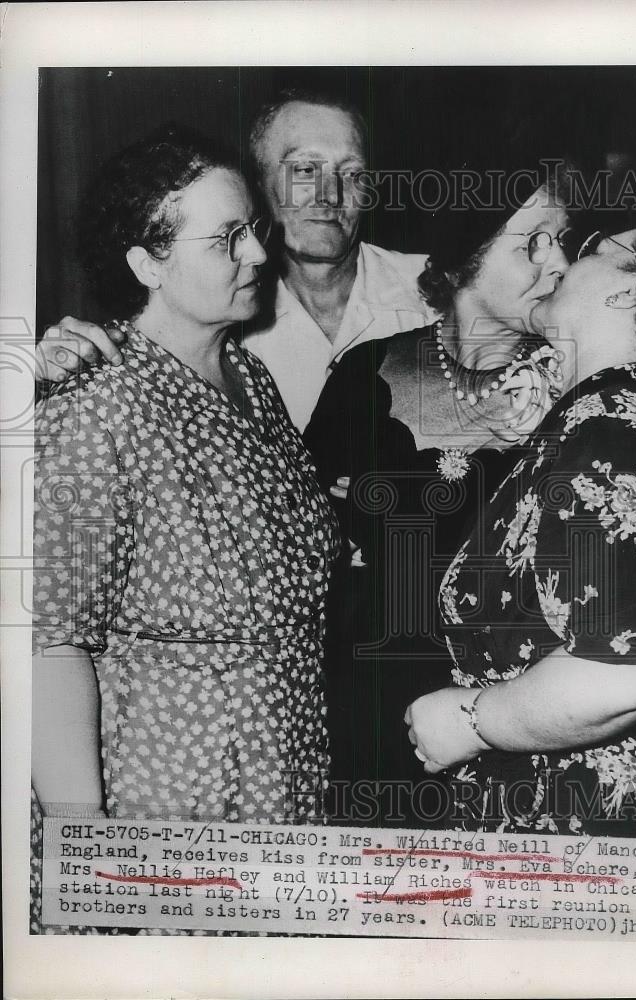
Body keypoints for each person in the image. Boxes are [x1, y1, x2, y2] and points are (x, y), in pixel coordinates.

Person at [405, 202, 636, 840]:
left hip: (594, 837)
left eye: (590, 247)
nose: (563, 260)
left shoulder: (611, 427)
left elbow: (624, 670)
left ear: (631, 290)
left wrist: (470, 721)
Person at [32, 123, 340, 834]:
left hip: (283, 778)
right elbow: (49, 645)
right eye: (225, 238)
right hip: (166, 797)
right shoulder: (97, 403)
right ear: (147, 263)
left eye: (253, 229)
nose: (260, 254)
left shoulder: (251, 379)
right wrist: (84, 842)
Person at [303, 180, 575, 824]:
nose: (558, 263)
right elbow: (302, 533)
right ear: (462, 260)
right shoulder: (365, 372)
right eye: (532, 243)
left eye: (561, 241)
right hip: (368, 704)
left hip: (513, 714)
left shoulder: (576, 390)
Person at [35, 89, 438, 431]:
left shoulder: (439, 293)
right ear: (256, 184)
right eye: (304, 170)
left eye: (353, 174)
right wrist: (42, 372)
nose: (331, 194)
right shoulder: (215, 309)